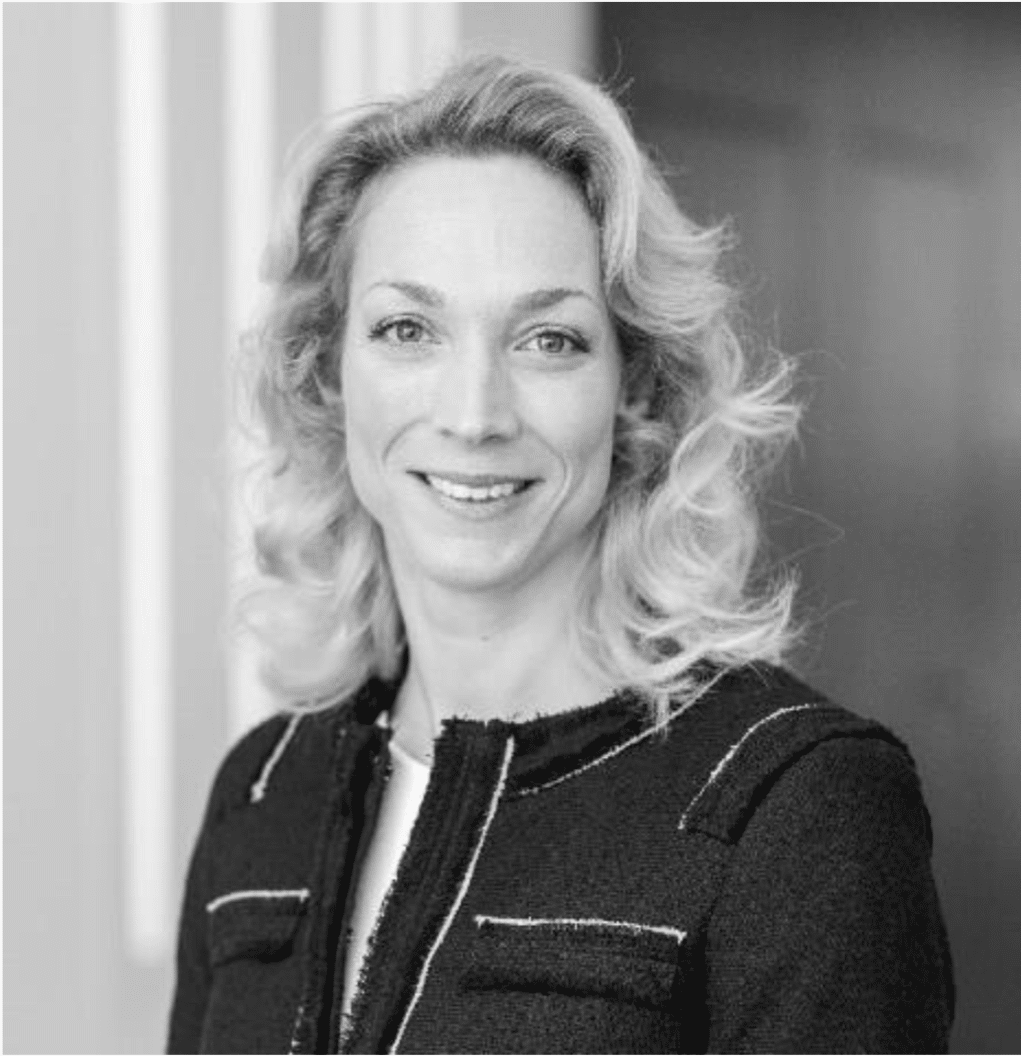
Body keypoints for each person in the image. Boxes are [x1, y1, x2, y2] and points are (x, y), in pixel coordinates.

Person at [167, 55, 954, 1054]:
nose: (474, 414)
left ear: (637, 388)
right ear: (328, 373)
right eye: (407, 329)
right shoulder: (261, 793)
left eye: (548, 340)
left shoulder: (795, 807)